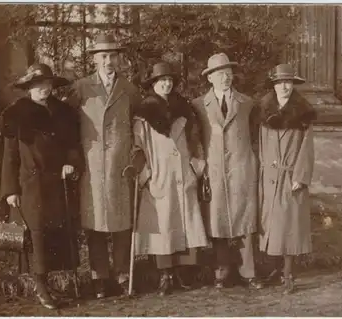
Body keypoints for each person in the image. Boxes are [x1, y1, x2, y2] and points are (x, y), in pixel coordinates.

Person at [65, 33, 141, 299]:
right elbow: (67, 126)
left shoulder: (130, 90)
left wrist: (136, 156)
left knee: (121, 223)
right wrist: (73, 158)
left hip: (121, 167)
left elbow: (138, 126)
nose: (109, 61)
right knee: (94, 223)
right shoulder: (81, 88)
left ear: (120, 59)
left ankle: (122, 275)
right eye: (104, 56)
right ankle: (99, 278)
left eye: (113, 56)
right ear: (95, 59)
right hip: (92, 166)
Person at [0, 63, 82, 309]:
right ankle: (40, 285)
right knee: (36, 233)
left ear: (52, 86)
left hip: (58, 182)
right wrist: (10, 190)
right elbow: (9, 156)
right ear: (28, 88)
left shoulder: (64, 112)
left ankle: (53, 284)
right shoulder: (16, 114)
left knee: (56, 231)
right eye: (36, 85)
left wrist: (71, 163)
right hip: (30, 184)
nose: (42, 89)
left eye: (46, 84)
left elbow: (73, 145)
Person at [131, 62, 209, 296]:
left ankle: (184, 273)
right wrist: (146, 173)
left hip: (182, 172)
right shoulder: (144, 112)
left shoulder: (183, 108)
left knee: (185, 221)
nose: (166, 84)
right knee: (163, 224)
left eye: (169, 81)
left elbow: (195, 139)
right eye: (161, 80)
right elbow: (137, 146)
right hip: (160, 174)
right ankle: (165, 275)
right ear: (153, 84)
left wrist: (196, 167)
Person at [191, 53, 263, 290]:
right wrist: (201, 166)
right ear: (210, 78)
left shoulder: (247, 103)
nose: (225, 78)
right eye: (219, 74)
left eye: (228, 73)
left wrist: (253, 161)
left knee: (245, 220)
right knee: (217, 221)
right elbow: (194, 139)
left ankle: (249, 273)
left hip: (242, 169)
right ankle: (221, 272)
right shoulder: (199, 105)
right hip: (215, 170)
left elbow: (257, 137)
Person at [258, 64, 316, 294]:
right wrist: (263, 170)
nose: (284, 86)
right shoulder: (264, 110)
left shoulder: (303, 113)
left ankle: (288, 273)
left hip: (290, 176)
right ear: (273, 85)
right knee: (271, 226)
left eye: (288, 82)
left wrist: (300, 177)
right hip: (270, 176)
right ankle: (276, 269)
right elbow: (261, 144)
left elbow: (307, 148)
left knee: (289, 226)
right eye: (280, 82)